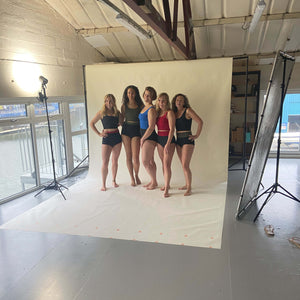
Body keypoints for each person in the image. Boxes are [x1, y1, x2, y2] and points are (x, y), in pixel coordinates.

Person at [90, 94, 123, 191]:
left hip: (117, 138)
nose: (109, 103)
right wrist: (99, 134)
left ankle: (114, 180)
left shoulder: (117, 113)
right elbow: (91, 123)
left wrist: (120, 123)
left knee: (115, 161)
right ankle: (103, 184)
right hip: (107, 138)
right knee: (105, 162)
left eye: (111, 101)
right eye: (107, 101)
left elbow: (121, 122)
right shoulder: (101, 113)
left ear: (114, 102)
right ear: (105, 102)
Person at [172, 93, 203, 196]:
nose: (179, 102)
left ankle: (189, 188)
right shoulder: (174, 113)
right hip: (178, 140)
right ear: (174, 102)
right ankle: (186, 184)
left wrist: (196, 135)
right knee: (183, 165)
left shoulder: (188, 111)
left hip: (187, 140)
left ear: (184, 102)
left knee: (185, 165)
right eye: (177, 100)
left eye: (181, 100)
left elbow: (200, 122)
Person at [121, 85, 144, 186]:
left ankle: (137, 175)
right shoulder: (124, 106)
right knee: (128, 155)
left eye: (133, 93)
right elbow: (122, 120)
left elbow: (145, 117)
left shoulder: (140, 105)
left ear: (136, 94)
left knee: (136, 157)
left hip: (136, 130)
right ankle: (132, 178)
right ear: (126, 94)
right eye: (129, 92)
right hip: (126, 130)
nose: (131, 94)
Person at [156, 93, 176, 197]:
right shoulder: (157, 113)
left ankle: (167, 188)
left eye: (163, 101)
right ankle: (166, 184)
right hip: (159, 139)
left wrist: (168, 143)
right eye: (159, 100)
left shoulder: (169, 113)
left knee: (167, 164)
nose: (161, 103)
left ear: (167, 102)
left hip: (169, 140)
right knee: (163, 164)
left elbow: (172, 129)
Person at [139, 86, 158, 190]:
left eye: (149, 96)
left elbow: (151, 127)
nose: (146, 97)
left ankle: (154, 181)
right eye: (145, 95)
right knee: (150, 161)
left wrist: (142, 139)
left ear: (152, 97)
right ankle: (153, 180)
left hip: (149, 137)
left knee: (145, 161)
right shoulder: (144, 107)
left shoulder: (151, 109)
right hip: (145, 136)